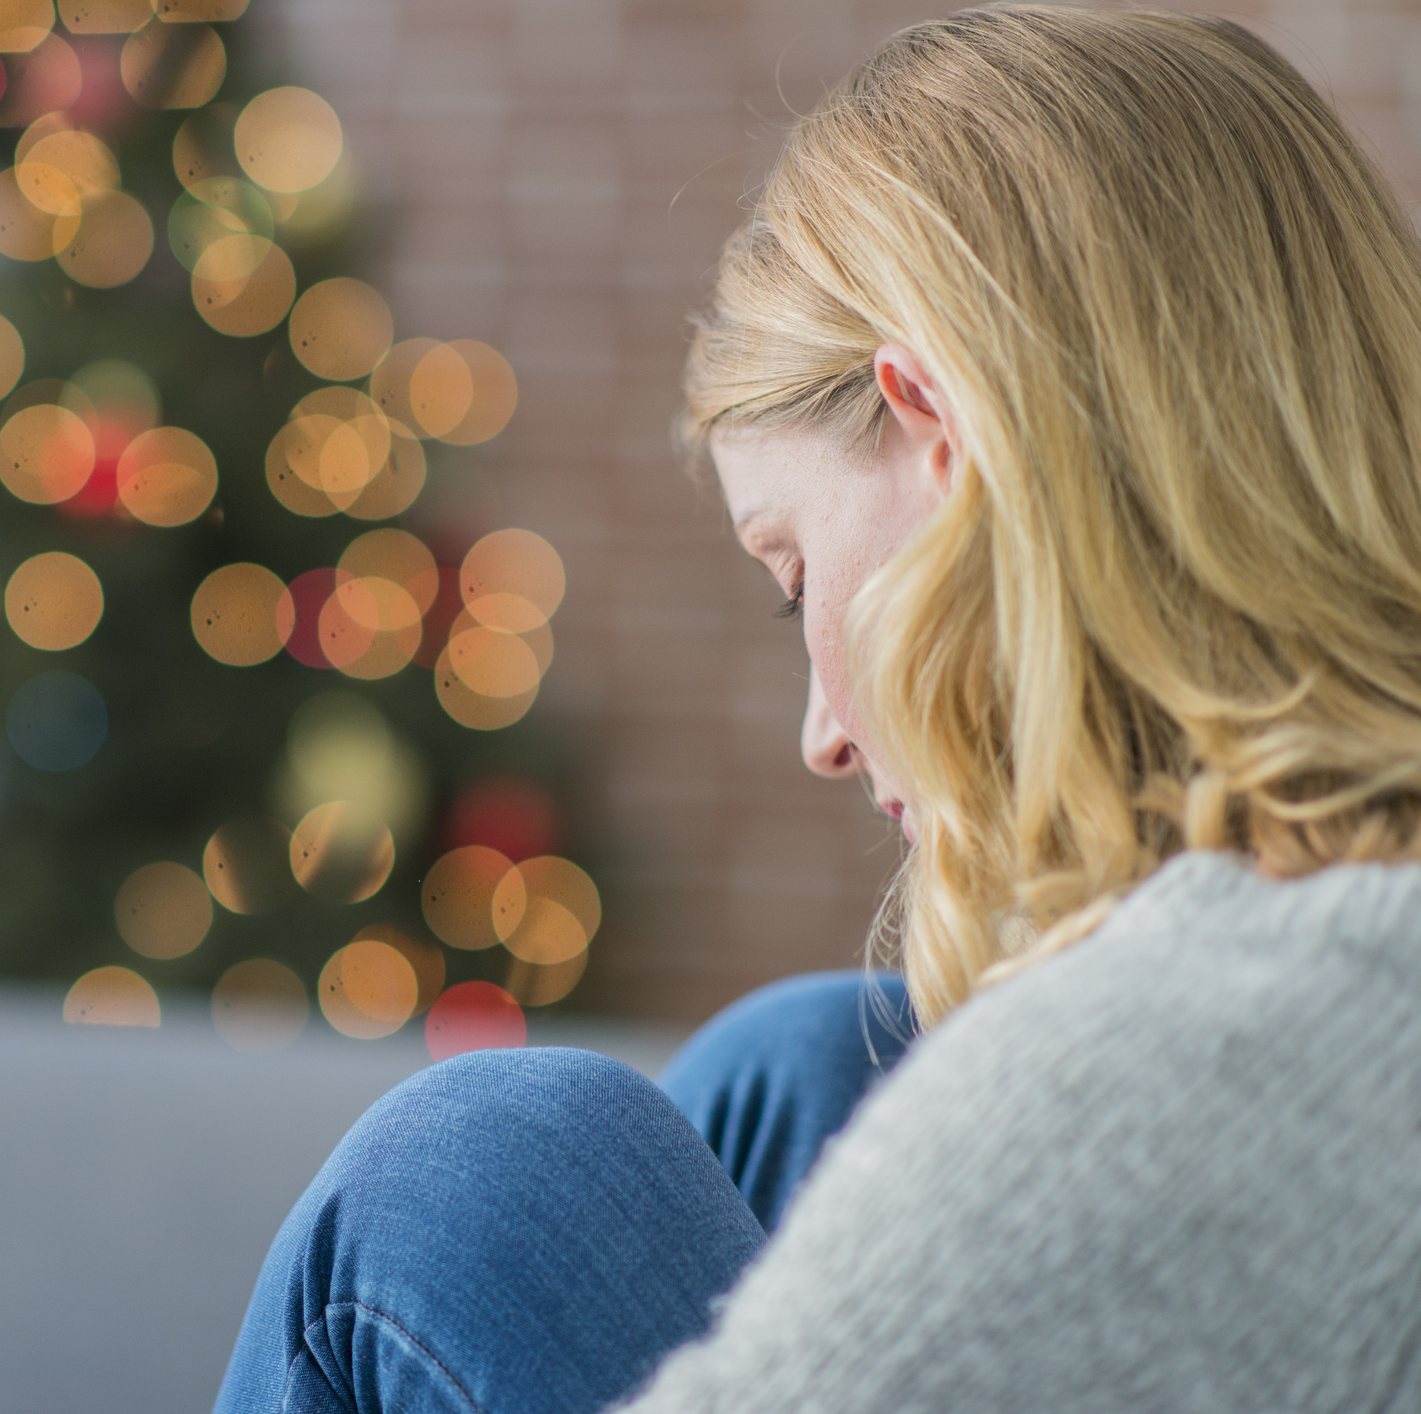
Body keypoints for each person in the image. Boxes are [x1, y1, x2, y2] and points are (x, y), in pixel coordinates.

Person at [214, 4, 1421, 1410]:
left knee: (473, 1163)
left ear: (941, 444)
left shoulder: (1193, 1046)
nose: (823, 735)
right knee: (810, 1062)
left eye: (794, 583)